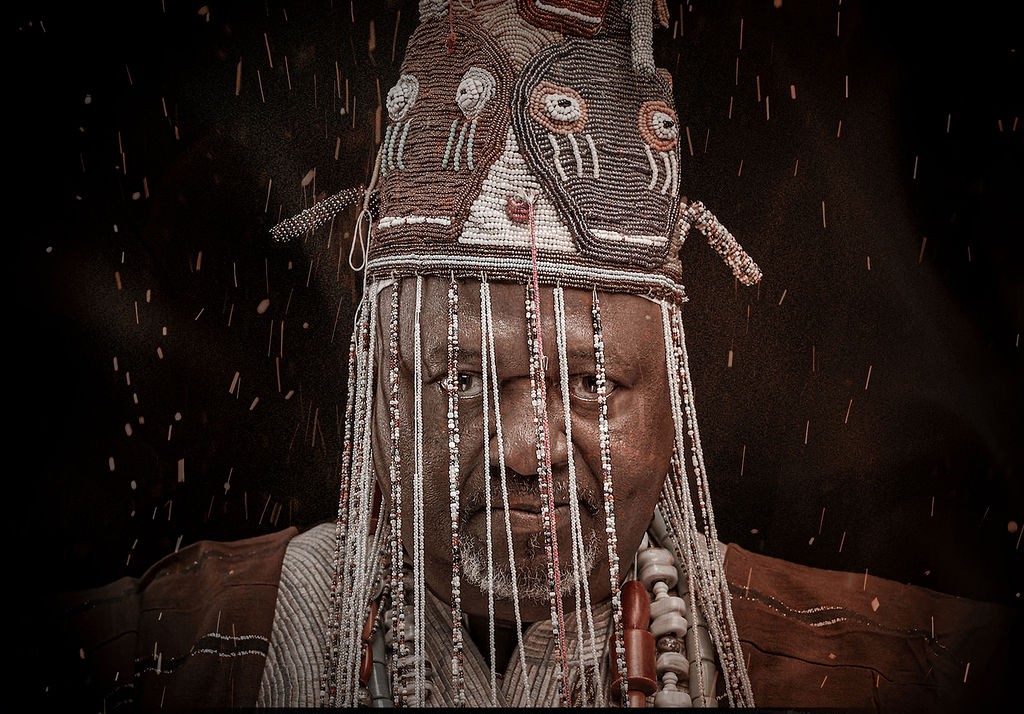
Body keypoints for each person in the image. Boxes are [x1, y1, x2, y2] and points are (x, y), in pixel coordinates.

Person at [50, 1, 1014, 710]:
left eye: (592, 380)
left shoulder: (904, 673)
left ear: (672, 399)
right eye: (460, 379)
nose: (527, 447)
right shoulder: (154, 654)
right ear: (375, 394)